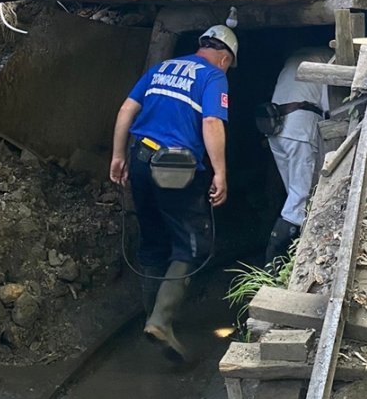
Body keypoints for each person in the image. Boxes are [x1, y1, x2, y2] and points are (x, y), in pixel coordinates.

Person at [109, 23, 237, 360]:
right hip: (175, 169)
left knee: (153, 240)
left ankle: (152, 318)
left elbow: (126, 110)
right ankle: (161, 322)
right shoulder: (213, 77)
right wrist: (220, 172)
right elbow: (212, 122)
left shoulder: (161, 68)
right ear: (224, 59)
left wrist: (118, 155)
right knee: (193, 244)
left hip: (139, 157)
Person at [264, 47, 330, 268]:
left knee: (293, 194)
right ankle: (276, 261)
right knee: (300, 198)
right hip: (299, 129)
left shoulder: (292, 58)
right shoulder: (329, 60)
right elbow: (329, 106)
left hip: (275, 128)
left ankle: (282, 259)